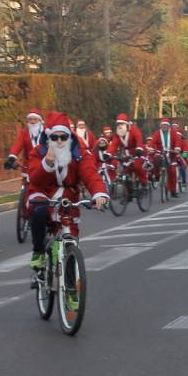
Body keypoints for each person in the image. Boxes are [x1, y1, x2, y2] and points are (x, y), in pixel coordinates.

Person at [26, 112, 109, 269]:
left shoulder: (79, 154)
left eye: (63, 137)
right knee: (39, 211)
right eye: (54, 137)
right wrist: (48, 163)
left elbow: (90, 174)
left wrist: (98, 193)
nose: (59, 141)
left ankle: (71, 289)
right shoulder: (37, 152)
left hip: (68, 197)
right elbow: (36, 179)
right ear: (48, 138)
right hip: (42, 192)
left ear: (69, 137)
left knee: (72, 241)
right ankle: (38, 252)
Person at [106, 113, 149, 185]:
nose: (119, 126)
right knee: (125, 171)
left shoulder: (134, 130)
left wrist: (139, 148)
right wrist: (108, 153)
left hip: (138, 152)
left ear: (126, 124)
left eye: (121, 124)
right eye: (118, 124)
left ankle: (144, 183)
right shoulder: (117, 134)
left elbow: (139, 139)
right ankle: (129, 192)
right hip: (126, 154)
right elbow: (113, 145)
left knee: (137, 166)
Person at [149, 118, 183, 197]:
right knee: (156, 161)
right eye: (163, 125)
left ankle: (173, 191)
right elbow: (152, 141)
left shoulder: (173, 133)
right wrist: (151, 148)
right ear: (161, 126)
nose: (164, 126)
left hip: (171, 155)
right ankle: (156, 177)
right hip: (160, 153)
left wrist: (177, 148)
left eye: (166, 125)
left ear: (168, 126)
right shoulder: (157, 133)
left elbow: (177, 141)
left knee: (173, 172)